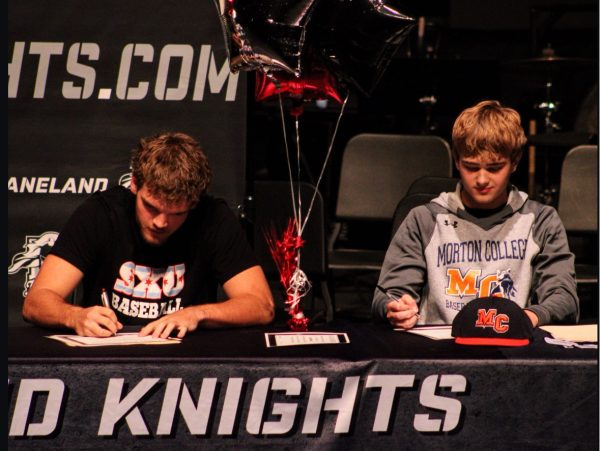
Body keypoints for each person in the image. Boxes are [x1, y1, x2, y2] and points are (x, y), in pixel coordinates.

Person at [23, 132, 274, 338]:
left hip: (188, 359)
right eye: (151, 207)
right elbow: (35, 302)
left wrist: (196, 314)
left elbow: (261, 305)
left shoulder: (213, 219)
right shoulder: (101, 214)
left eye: (177, 213)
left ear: (194, 203)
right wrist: (74, 316)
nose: (161, 222)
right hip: (105, 355)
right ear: (134, 184)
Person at [372, 100, 579, 329]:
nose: (481, 180)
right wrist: (395, 308)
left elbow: (564, 299)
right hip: (439, 350)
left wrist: (525, 318)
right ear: (457, 161)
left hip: (512, 346)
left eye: (494, 168)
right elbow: (388, 295)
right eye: (471, 167)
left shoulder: (541, 221)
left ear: (515, 162)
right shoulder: (424, 219)